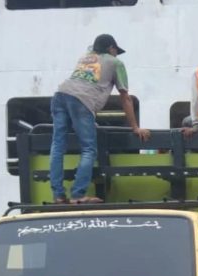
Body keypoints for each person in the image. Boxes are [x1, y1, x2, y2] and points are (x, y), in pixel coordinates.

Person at [50, 34, 150, 204]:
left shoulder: (85, 58)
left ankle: (58, 195)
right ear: (111, 48)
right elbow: (125, 98)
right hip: (82, 101)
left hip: (60, 96)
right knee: (89, 149)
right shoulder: (115, 63)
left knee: (58, 146)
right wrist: (135, 127)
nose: (116, 54)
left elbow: (83, 83)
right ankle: (78, 195)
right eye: (116, 51)